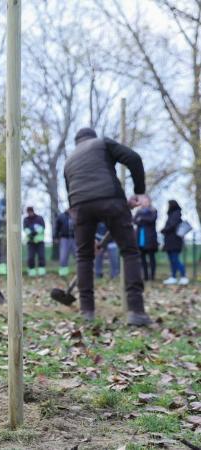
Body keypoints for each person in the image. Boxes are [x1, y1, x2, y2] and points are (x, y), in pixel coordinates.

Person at [63, 127, 151, 326]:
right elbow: (134, 158)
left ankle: (87, 311)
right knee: (129, 252)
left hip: (80, 207)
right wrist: (140, 191)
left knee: (84, 256)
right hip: (110, 200)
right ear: (91, 137)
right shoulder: (102, 143)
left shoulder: (69, 160)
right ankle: (136, 311)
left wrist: (87, 236)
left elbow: (71, 195)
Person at [161, 200, 189, 285]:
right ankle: (173, 277)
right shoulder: (172, 215)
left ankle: (183, 276)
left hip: (174, 242)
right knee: (172, 260)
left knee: (175, 259)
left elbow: (171, 226)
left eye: (168, 205)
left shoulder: (176, 214)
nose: (167, 206)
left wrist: (164, 230)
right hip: (170, 242)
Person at [133, 195, 158, 282]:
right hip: (141, 239)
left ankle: (152, 276)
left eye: (145, 201)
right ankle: (146, 276)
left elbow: (151, 220)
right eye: (142, 201)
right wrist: (142, 219)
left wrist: (142, 219)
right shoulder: (138, 211)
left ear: (149, 201)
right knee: (142, 258)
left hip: (150, 239)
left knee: (151, 258)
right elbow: (135, 220)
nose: (144, 203)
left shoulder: (153, 211)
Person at [23, 207, 46, 276]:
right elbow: (26, 229)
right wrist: (33, 232)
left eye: (31, 212)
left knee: (41, 256)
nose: (30, 213)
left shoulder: (39, 218)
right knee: (31, 257)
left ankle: (41, 271)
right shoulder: (26, 220)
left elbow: (42, 227)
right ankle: (32, 272)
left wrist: (33, 232)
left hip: (40, 241)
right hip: (31, 242)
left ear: (33, 211)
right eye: (28, 212)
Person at [54, 208, 75, 277]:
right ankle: (63, 273)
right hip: (64, 239)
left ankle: (81, 272)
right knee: (63, 256)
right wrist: (56, 237)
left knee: (79, 255)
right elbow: (56, 227)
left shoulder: (76, 215)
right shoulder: (61, 216)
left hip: (75, 238)